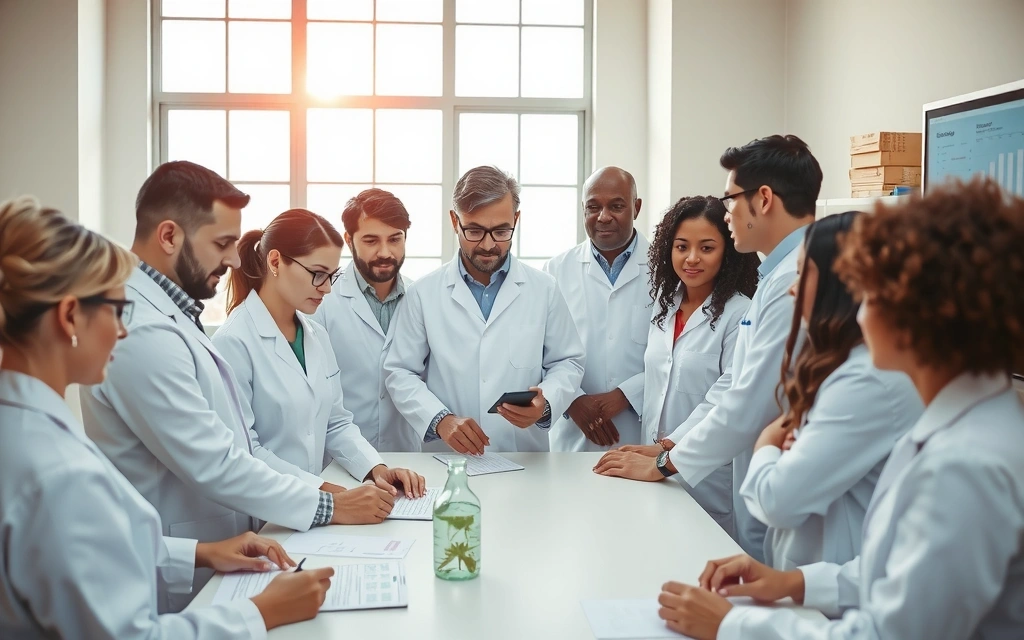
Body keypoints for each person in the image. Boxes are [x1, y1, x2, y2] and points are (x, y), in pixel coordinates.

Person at [654, 178, 1024, 640]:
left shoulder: (966, 464)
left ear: (924, 312)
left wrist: (731, 625)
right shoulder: (966, 421)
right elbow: (900, 571)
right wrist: (796, 582)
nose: (857, 312)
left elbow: (888, 634)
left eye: (868, 294)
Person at [0, 196, 335, 639]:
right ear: (69, 317)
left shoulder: (26, 429)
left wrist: (200, 553)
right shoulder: (59, 472)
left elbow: (74, 553)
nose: (123, 330)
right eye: (117, 311)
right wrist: (260, 613)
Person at [81, 161, 355, 612]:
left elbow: (234, 445)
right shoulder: (139, 329)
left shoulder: (171, 316)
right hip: (170, 578)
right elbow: (215, 463)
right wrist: (329, 506)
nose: (232, 260)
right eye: (222, 244)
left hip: (213, 551)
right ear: (169, 236)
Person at [587, 136, 822, 560]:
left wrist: (665, 457)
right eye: (682, 246)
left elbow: (741, 402)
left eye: (731, 199)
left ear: (763, 199)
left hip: (728, 480)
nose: (729, 212)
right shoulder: (777, 275)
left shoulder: (792, 281)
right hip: (698, 468)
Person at [738, 211, 922, 570]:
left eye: (803, 272)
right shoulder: (842, 365)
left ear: (841, 282)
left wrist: (766, 442)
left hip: (838, 585)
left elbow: (778, 499)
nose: (792, 288)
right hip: (815, 577)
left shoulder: (866, 381)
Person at [214, 207, 425, 504]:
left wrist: (376, 469)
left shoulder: (315, 336)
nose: (326, 288)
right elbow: (245, 450)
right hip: (266, 509)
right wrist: (333, 495)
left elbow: (335, 422)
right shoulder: (233, 342)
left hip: (313, 506)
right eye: (317, 275)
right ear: (275, 261)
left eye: (331, 276)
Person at [384, 165, 586, 453]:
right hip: (449, 460)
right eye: (475, 231)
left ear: (516, 219)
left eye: (502, 230)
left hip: (524, 459)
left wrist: (546, 402)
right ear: (454, 221)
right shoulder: (423, 294)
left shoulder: (544, 289)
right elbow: (400, 371)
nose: (489, 245)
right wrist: (440, 420)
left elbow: (568, 362)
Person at [595, 195, 759, 535]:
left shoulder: (740, 314)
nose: (692, 258)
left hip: (705, 474)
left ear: (727, 253)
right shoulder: (664, 305)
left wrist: (667, 448)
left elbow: (724, 397)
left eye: (707, 248)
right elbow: (659, 378)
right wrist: (654, 451)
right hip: (653, 466)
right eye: (682, 246)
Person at [544, 167, 651, 452]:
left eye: (616, 206)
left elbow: (672, 352)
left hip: (640, 431)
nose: (603, 216)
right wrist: (572, 399)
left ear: (636, 207)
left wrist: (626, 395)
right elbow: (538, 351)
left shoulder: (665, 269)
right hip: (572, 433)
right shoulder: (554, 271)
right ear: (583, 209)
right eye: (593, 207)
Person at [312, 188, 420, 451]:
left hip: (408, 458)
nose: (385, 252)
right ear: (349, 240)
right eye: (371, 241)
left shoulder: (421, 299)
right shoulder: (322, 302)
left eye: (395, 239)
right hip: (339, 459)